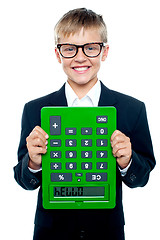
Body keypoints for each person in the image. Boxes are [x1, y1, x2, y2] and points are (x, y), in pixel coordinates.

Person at [14, 8, 156, 240]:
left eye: (90, 47)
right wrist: (32, 162)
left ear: (104, 51)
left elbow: (142, 177)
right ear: (59, 54)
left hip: (106, 232)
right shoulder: (34, 110)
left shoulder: (133, 109)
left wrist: (128, 161)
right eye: (70, 49)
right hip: (51, 233)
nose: (80, 57)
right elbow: (24, 182)